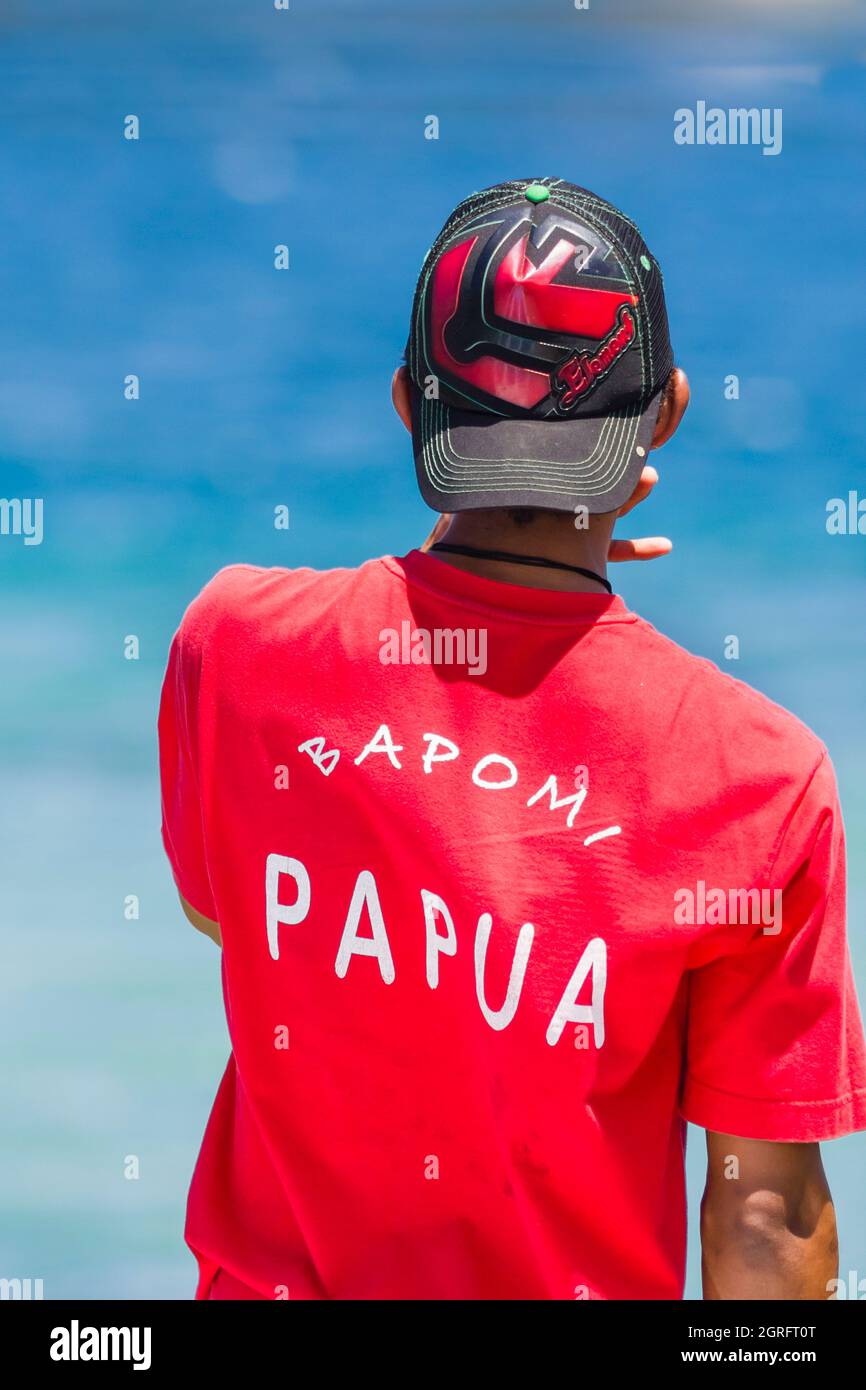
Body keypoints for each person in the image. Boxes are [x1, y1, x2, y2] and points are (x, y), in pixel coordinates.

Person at [159, 178, 866, 1301]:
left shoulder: (234, 646)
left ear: (406, 404)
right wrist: (558, 593)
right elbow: (762, 1216)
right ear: (667, 411)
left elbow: (234, 918)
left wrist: (481, 574)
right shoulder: (757, 777)